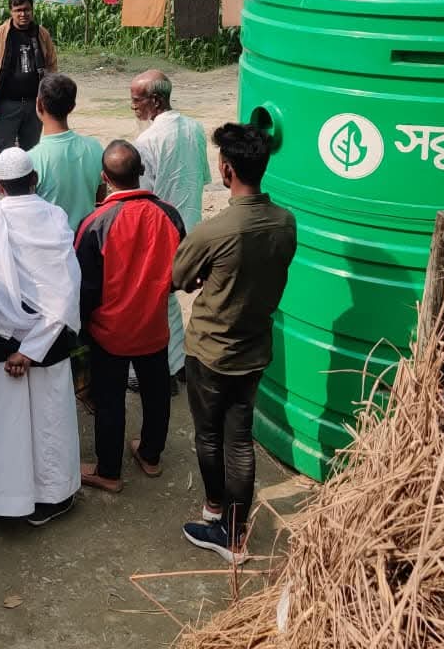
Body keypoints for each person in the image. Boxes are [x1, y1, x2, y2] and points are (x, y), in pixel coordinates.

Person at [173, 123, 296, 564]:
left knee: (209, 435)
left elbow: (178, 279)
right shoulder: (285, 221)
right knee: (239, 438)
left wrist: (209, 276)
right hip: (254, 347)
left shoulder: (215, 230)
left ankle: (215, 514)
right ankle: (236, 531)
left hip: (210, 350)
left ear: (226, 170)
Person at [0, 147, 81, 526]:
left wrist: (10, 334)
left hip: (1, 343)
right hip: (48, 342)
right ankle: (53, 498)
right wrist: (31, 347)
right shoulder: (56, 220)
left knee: (5, 422)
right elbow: (64, 292)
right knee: (50, 419)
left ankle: (7, 502)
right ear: (34, 181)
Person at [75, 141, 184, 494]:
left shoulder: (94, 223)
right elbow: (179, 271)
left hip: (110, 331)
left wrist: (81, 326)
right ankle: (150, 455)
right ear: (140, 172)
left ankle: (108, 470)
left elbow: (85, 287)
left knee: (109, 398)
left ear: (104, 178)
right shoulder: (169, 214)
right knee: (156, 391)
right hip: (153, 324)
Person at [131, 69, 212, 387]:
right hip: (192, 231)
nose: (133, 106)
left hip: (161, 233)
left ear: (155, 100)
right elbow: (202, 180)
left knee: (156, 299)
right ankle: (177, 362)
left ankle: (165, 368)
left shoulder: (147, 141)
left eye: (136, 100)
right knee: (169, 298)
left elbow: (142, 196)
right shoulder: (194, 128)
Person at [0, 0, 58, 156]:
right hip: (7, 105)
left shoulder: (42, 34)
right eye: (18, 10)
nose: (23, 14)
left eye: (27, 10)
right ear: (11, 12)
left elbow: (51, 67)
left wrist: (49, 98)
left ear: (32, 10)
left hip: (35, 104)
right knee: (5, 152)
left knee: (32, 151)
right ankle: (2, 181)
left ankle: (29, 182)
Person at [27, 74, 105, 232]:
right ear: (73, 106)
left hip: (51, 245)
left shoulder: (32, 158)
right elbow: (100, 198)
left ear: (39, 104)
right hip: (86, 241)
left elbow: (28, 213)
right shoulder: (95, 147)